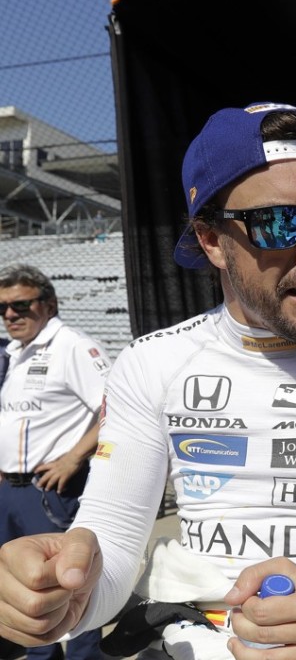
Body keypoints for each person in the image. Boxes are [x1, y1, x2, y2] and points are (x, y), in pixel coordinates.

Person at [0, 102, 296, 660]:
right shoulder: (152, 363)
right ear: (211, 241)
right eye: (278, 223)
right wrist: (66, 594)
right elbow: (115, 544)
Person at [0, 264, 112, 660]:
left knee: (68, 583)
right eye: (3, 309)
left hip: (50, 490)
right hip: (10, 489)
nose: (10, 315)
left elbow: (115, 408)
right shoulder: (13, 352)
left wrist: (72, 457)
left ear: (48, 305)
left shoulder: (74, 345)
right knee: (23, 584)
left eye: (21, 305)